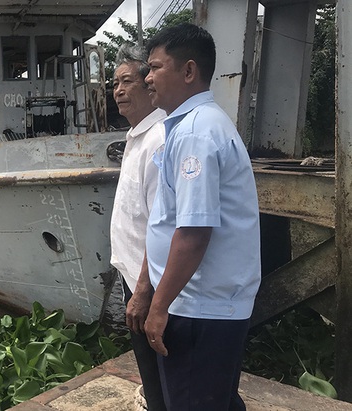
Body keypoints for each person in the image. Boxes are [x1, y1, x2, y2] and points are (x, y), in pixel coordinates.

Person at [142, 23, 261, 410]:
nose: (147, 77)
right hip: (202, 304)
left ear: (188, 71)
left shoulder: (196, 132)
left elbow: (193, 232)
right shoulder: (192, 125)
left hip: (197, 310)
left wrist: (158, 308)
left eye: (155, 67)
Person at [109, 43, 167, 411]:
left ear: (150, 87)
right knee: (151, 370)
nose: (118, 90)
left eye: (127, 81)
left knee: (165, 367)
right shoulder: (137, 137)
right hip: (135, 273)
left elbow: (165, 224)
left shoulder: (158, 139)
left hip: (153, 281)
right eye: (114, 83)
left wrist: (144, 290)